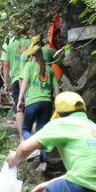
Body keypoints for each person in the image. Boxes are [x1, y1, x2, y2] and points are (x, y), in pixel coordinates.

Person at [16, 42, 58, 172]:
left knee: (25, 129)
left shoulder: (29, 66)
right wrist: (57, 105)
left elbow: (24, 82)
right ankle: (43, 163)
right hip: (47, 104)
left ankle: (35, 148)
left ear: (31, 56)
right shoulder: (50, 70)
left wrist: (20, 99)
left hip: (33, 102)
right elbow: (57, 90)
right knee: (41, 132)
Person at [1, 32, 32, 129]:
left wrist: (6, 83)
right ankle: (35, 134)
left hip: (16, 78)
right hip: (31, 78)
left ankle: (22, 136)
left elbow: (5, 64)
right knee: (32, 104)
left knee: (19, 108)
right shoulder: (31, 41)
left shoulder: (8, 43)